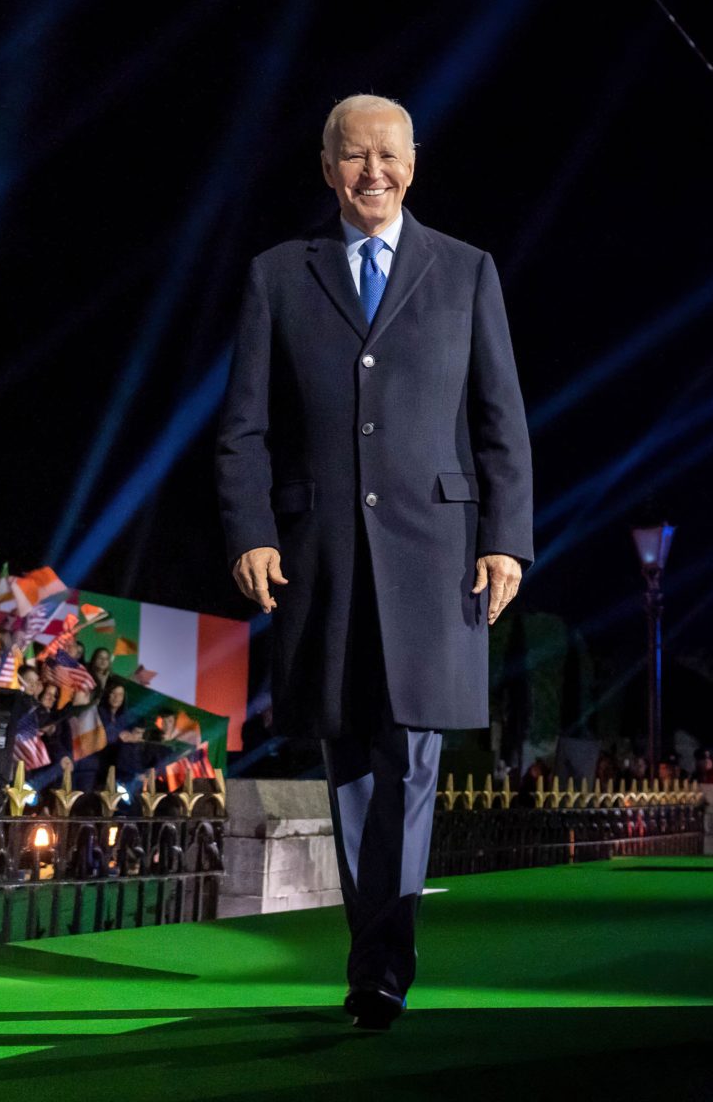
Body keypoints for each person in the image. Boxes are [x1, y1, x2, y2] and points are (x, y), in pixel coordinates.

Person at [216, 93, 532, 1030]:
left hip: (439, 560)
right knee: (346, 758)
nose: (373, 172)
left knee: (414, 757)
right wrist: (251, 532)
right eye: (354, 157)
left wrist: (507, 538)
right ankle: (377, 955)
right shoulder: (278, 276)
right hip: (320, 561)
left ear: (413, 162)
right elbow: (243, 431)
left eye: (388, 155)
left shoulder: (467, 271)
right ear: (326, 168)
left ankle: (381, 963)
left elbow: (500, 420)